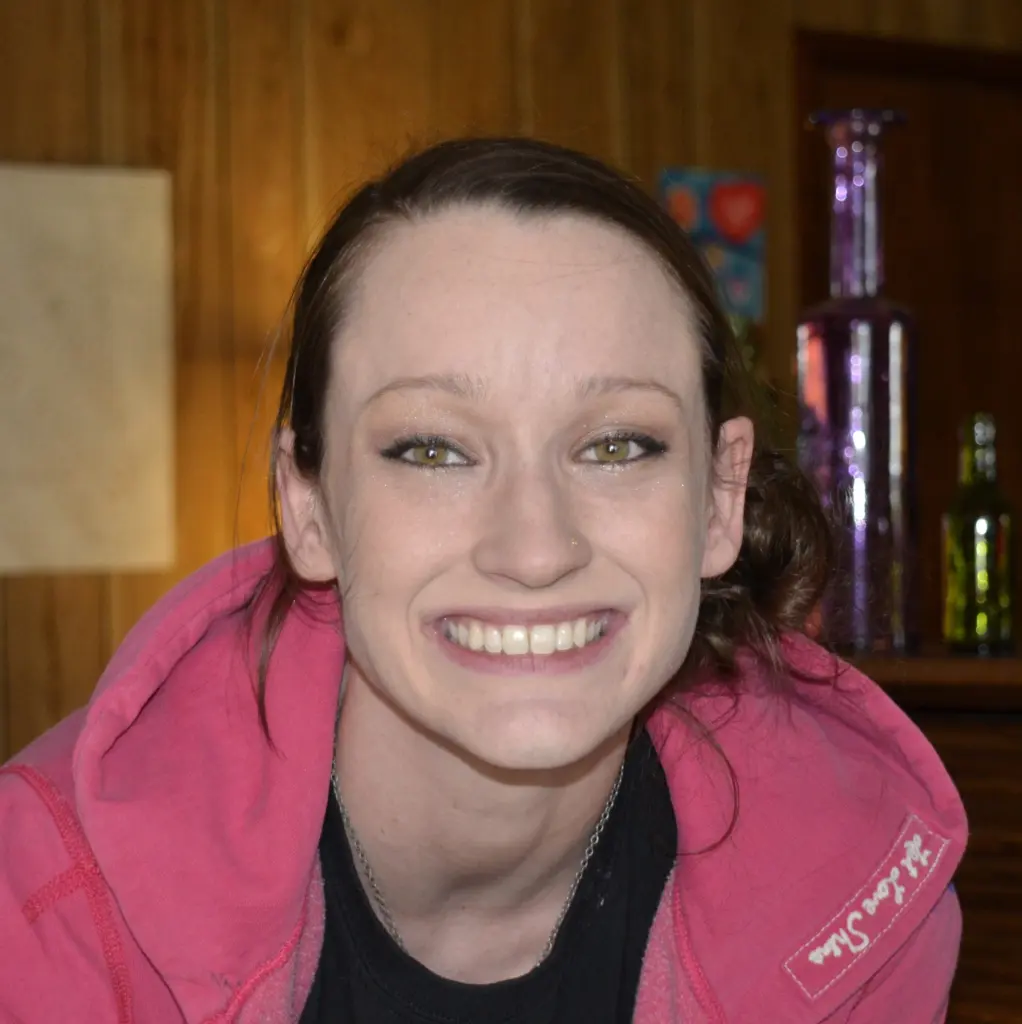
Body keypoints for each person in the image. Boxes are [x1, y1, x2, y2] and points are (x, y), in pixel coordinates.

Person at [0, 137, 965, 1023]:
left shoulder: (857, 901)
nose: (534, 549)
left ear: (719, 498)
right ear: (308, 504)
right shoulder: (48, 909)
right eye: (433, 450)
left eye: (616, 445)